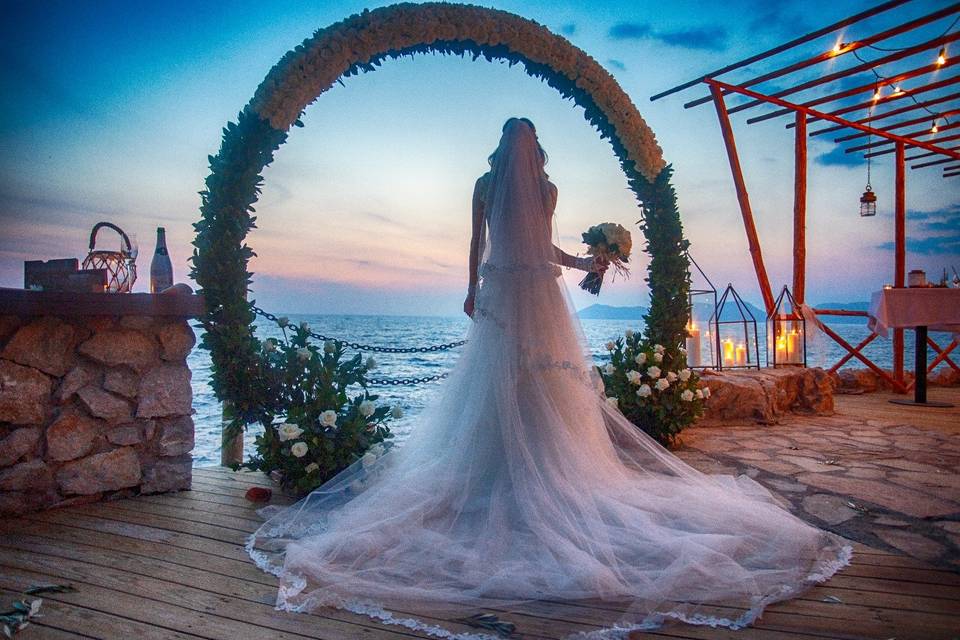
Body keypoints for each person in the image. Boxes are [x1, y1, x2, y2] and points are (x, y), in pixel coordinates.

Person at [248, 118, 851, 638]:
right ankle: (497, 468)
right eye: (518, 142)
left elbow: (545, 246)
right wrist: (469, 287)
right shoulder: (487, 185)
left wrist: (588, 261)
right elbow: (477, 240)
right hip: (506, 290)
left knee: (540, 385)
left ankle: (544, 467)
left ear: (535, 151)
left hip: (534, 292)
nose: (522, 153)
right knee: (497, 385)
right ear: (508, 147)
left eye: (528, 143)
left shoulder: (547, 189)